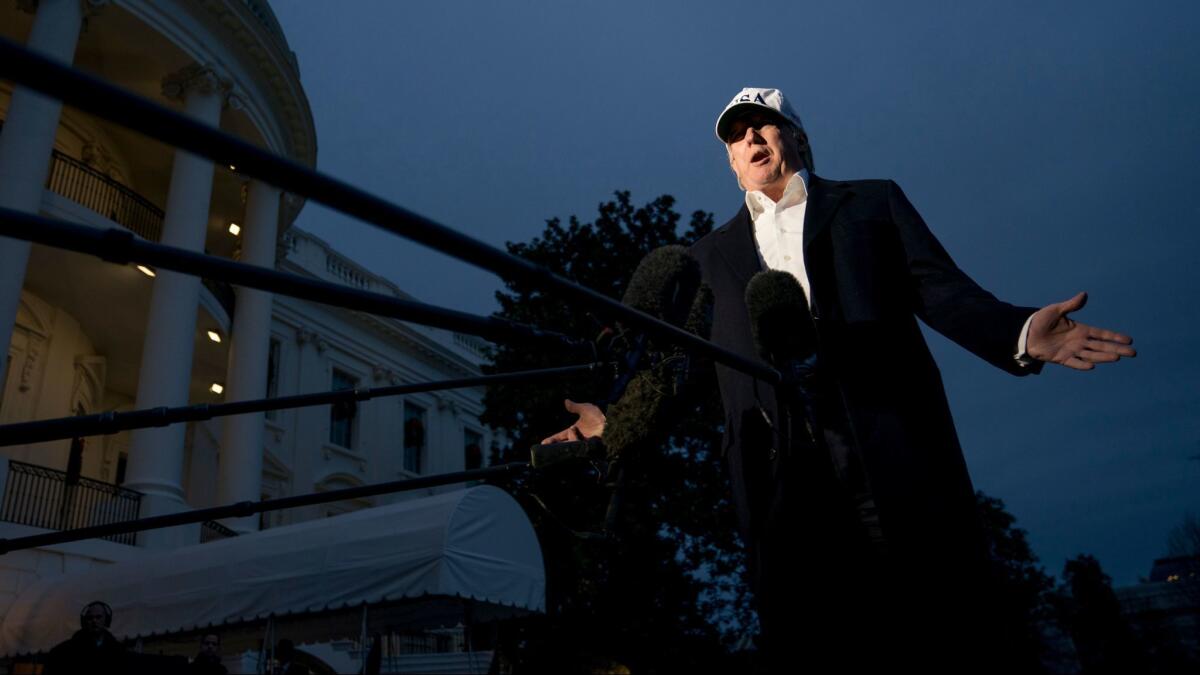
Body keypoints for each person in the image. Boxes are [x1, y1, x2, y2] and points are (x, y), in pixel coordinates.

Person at [543, 87, 1136, 671]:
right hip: (781, 483)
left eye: (763, 125)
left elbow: (943, 292)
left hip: (887, 455)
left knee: (938, 629)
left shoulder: (871, 204)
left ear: (796, 137)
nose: (749, 138)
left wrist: (1022, 331)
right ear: (728, 160)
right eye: (734, 134)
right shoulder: (706, 256)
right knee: (817, 642)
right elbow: (688, 369)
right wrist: (614, 427)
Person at [43, 600, 128, 674]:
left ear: (106, 620)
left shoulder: (117, 651)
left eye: (98, 617)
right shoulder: (64, 652)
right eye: (90, 618)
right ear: (84, 622)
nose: (94, 621)